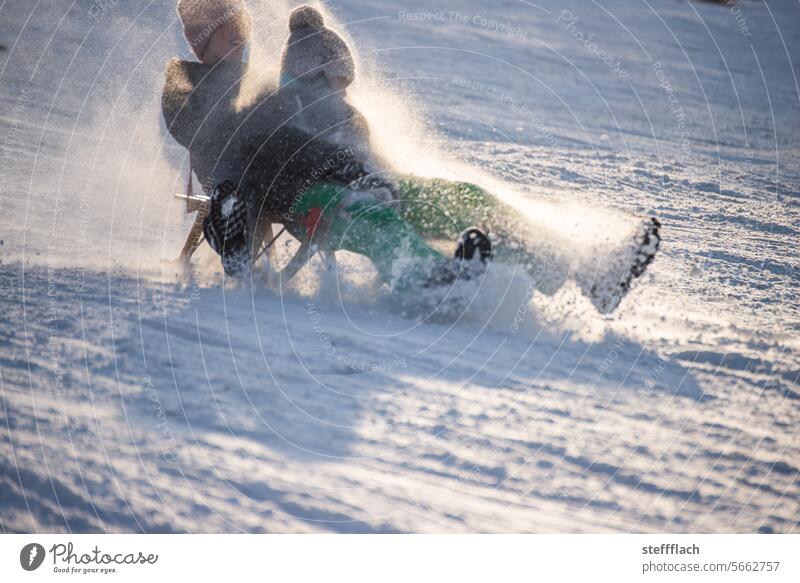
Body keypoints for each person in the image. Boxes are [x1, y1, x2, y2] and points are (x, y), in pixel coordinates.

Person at [163, 0, 491, 305]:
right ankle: (428, 282)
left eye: (242, 37)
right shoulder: (185, 84)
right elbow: (213, 134)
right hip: (269, 185)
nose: (240, 45)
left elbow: (302, 129)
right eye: (229, 39)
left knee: (445, 195)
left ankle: (512, 240)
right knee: (368, 216)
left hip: (314, 167)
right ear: (202, 44)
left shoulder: (260, 86)